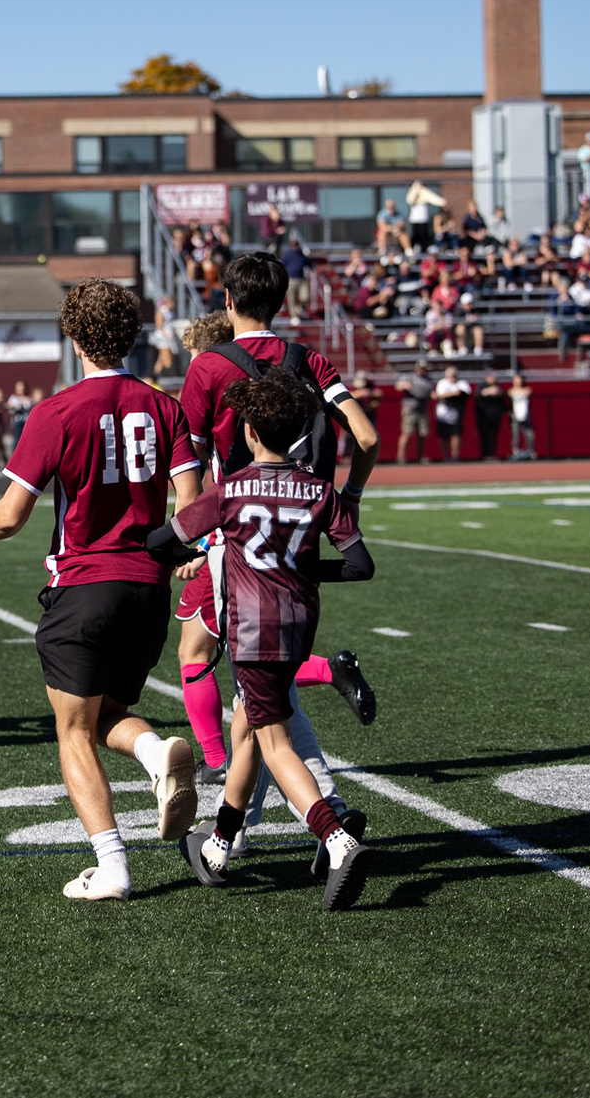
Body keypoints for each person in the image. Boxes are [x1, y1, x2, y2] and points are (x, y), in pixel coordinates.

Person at [0, 281, 203, 902]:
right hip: (147, 590)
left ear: (73, 338)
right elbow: (193, 507)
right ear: (131, 337)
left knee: (72, 729)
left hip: (85, 585)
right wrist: (181, 553)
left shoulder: (57, 411)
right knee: (105, 717)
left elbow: (13, 515)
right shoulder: (165, 406)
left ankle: (113, 864)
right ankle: (155, 755)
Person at [154, 369, 378, 910]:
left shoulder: (230, 490)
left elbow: (166, 539)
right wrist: (299, 569)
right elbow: (359, 565)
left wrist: (183, 554)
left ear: (250, 433)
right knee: (248, 731)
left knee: (273, 741)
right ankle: (218, 846)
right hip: (300, 624)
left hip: (251, 629)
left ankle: (336, 838)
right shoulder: (319, 491)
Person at [172, 252, 380, 832]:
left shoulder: (209, 367)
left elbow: (186, 456)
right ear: (282, 304)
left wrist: (192, 534)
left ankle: (315, 821)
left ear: (229, 302)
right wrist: (351, 499)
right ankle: (243, 831)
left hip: (236, 539)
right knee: (262, 696)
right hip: (301, 536)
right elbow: (367, 434)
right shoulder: (306, 357)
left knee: (254, 695)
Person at [432, 364, 471, 462]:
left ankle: (455, 455)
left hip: (457, 412)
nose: (452, 377)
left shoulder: (461, 382)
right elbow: (439, 395)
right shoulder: (442, 383)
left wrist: (452, 394)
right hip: (443, 413)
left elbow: (465, 392)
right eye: (451, 375)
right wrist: (453, 393)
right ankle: (446, 456)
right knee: (444, 436)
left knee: (456, 434)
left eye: (454, 375)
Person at [396, 363, 430, 464]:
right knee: (406, 433)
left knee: (422, 433)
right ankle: (401, 457)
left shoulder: (427, 379)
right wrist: (405, 386)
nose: (422, 371)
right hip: (410, 408)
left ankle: (420, 457)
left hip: (422, 409)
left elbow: (431, 392)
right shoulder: (410, 377)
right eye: (420, 368)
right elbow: (398, 386)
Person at [473, 372, 508, 460]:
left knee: (493, 436)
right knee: (484, 435)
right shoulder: (481, 386)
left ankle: (492, 454)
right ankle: (484, 454)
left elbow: (501, 395)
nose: (493, 379)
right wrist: (489, 391)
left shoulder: (498, 386)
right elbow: (478, 394)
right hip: (483, 416)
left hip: (495, 416)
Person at [508, 373, 535, 459]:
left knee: (529, 434)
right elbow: (511, 393)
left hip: (525, 416)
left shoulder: (527, 389)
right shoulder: (511, 390)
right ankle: (516, 452)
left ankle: (530, 451)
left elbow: (527, 392)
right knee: (516, 435)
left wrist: (519, 392)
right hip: (515, 416)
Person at [4, 380, 33, 450]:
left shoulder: (28, 399)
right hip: (17, 422)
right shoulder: (13, 398)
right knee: (16, 440)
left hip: (26, 422)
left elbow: (30, 408)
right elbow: (10, 409)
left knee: (26, 440)